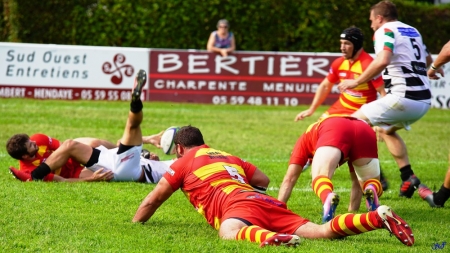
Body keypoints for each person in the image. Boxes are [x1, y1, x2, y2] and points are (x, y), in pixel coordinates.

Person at [132, 125, 414, 247]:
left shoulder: (182, 161)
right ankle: (376, 217)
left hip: (236, 207)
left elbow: (152, 201)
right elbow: (263, 181)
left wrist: (134, 224)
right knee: (321, 231)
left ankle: (268, 238)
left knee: (229, 232)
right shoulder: (228, 156)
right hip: (263, 201)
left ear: (179, 148)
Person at [9, 69, 170, 184]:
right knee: (129, 131)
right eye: (31, 145)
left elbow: (64, 147)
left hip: (107, 162)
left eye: (31, 141)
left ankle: (36, 176)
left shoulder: (39, 139)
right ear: (24, 156)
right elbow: (63, 180)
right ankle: (136, 113)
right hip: (119, 169)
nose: (34, 142)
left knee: (75, 144)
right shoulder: (175, 167)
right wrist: (90, 179)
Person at [338, 0, 431, 199]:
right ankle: (408, 177)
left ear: (379, 18)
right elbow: (428, 58)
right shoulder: (413, 30)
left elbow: (383, 60)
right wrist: (433, 70)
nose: (371, 25)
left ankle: (375, 179)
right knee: (385, 130)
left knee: (351, 126)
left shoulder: (384, 30)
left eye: (372, 20)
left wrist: (356, 81)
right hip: (423, 102)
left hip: (403, 97)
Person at [294, 26, 388, 210]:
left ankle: (369, 180)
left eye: (347, 44)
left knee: (352, 153)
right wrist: (312, 109)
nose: (342, 47)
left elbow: (383, 94)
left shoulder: (370, 64)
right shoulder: (339, 63)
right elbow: (325, 85)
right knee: (314, 133)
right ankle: (309, 162)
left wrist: (379, 122)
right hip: (337, 111)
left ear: (357, 44)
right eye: (341, 43)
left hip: (359, 116)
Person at [278, 116, 383, 223]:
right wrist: (352, 213)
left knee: (320, 176)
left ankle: (327, 196)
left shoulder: (303, 143)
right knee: (367, 181)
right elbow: (356, 181)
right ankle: (372, 187)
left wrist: (278, 209)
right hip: (364, 128)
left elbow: (289, 179)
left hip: (335, 128)